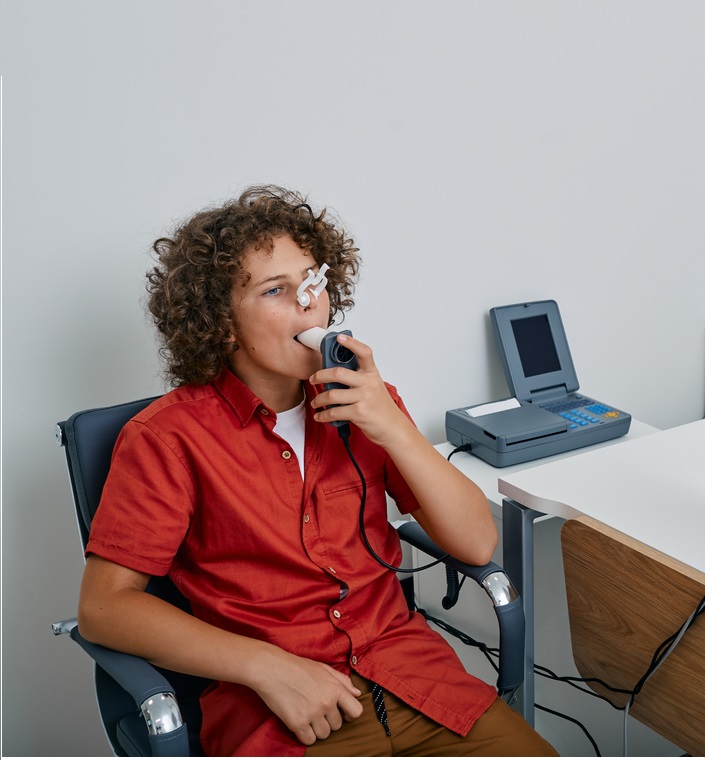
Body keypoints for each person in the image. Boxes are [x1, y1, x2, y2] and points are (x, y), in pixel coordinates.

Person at [77, 185, 557, 756]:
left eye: (313, 280)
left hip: (416, 682)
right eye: (276, 290)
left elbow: (477, 545)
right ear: (222, 325)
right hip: (283, 714)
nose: (308, 302)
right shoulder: (168, 439)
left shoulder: (369, 404)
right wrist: (264, 666)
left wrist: (394, 427)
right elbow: (104, 608)